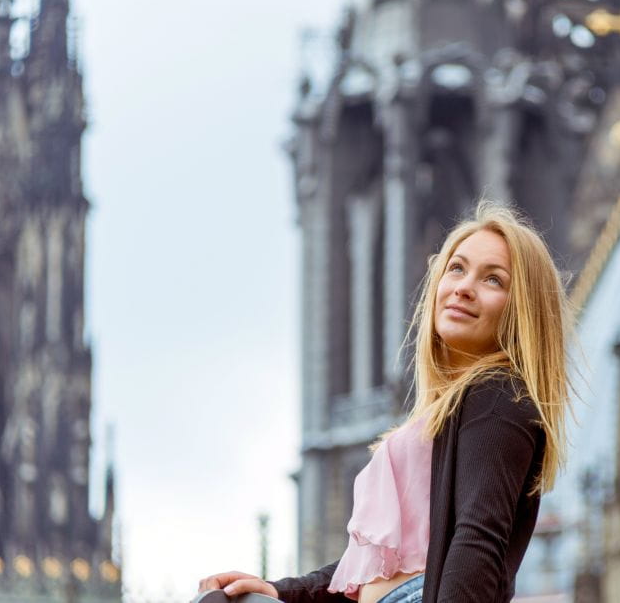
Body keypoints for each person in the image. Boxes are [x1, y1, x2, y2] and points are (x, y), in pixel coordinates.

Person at [198, 201, 571, 603]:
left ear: (523, 309)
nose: (464, 287)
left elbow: (477, 541)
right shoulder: (453, 409)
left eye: (493, 279)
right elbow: (372, 569)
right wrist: (281, 591)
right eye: (456, 268)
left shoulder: (498, 395)